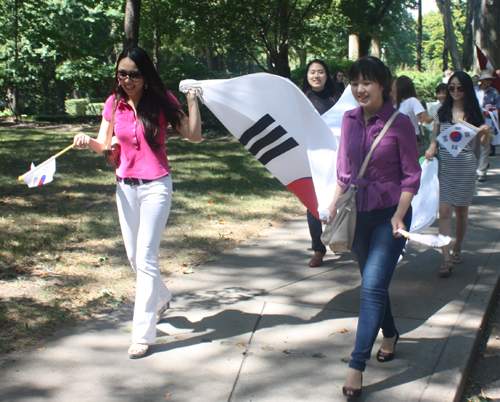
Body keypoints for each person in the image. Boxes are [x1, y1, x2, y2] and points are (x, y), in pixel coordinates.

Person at [72, 47, 202, 358]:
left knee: (145, 259)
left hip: (156, 186)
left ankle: (142, 335)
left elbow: (194, 135)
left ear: (145, 75)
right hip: (124, 187)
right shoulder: (113, 103)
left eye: (134, 74)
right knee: (134, 259)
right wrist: (86, 141)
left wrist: (192, 100)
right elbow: (104, 144)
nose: (127, 80)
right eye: (122, 74)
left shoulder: (162, 100)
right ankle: (162, 297)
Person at [323, 56, 421, 397]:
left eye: (367, 82)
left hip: (392, 216)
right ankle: (390, 333)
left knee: (371, 289)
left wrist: (400, 215)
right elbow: (344, 170)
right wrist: (335, 203)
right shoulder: (349, 120)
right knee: (373, 285)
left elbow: (411, 177)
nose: (360, 89)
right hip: (358, 213)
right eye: (355, 82)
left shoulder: (400, 124)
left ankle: (356, 366)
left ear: (383, 84)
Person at [425, 72, 489, 277]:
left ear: (467, 89)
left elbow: (483, 143)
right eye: (451, 87)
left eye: (460, 87)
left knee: (461, 212)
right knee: (444, 212)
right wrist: (432, 146)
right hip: (445, 168)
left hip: (466, 168)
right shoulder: (441, 113)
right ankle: (445, 260)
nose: (455, 91)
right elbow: (434, 135)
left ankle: (457, 248)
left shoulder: (474, 114)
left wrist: (485, 132)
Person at [301, 59, 342, 267]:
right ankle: (318, 248)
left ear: (327, 74)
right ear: (307, 76)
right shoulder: (301, 99)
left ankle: (344, 239)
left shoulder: (338, 98)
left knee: (341, 200)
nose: (316, 76)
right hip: (312, 157)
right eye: (312, 72)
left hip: (338, 156)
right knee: (313, 205)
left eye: (320, 72)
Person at [391, 75, 435, 157]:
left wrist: (441, 112)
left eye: (393, 86)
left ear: (400, 88)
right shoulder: (394, 105)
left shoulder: (412, 101)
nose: (391, 89)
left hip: (410, 141)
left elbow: (427, 119)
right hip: (395, 142)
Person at [475, 70, 500, 173]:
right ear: (482, 80)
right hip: (475, 120)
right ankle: (477, 166)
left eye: (490, 79)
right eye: (487, 79)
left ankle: (481, 171)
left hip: (488, 121)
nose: (489, 81)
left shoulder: (494, 92)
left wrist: (492, 113)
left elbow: (498, 107)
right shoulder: (473, 91)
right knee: (475, 146)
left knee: (485, 146)